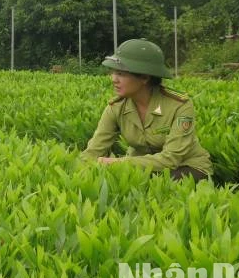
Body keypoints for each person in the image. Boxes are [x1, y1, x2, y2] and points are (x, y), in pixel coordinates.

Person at [80, 39, 212, 181]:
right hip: (141, 168)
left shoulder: (179, 106)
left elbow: (171, 159)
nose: (113, 79)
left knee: (161, 185)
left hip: (185, 166)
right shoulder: (116, 108)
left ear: (144, 77)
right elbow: (93, 151)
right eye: (113, 72)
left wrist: (118, 163)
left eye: (121, 73)